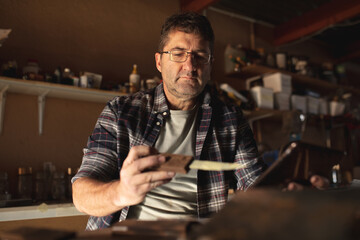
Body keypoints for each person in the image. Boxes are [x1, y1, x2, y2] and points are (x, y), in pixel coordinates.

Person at [72, 12, 328, 231]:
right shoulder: (122, 113)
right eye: (178, 53)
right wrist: (122, 192)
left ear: (210, 65)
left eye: (200, 56)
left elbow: (254, 187)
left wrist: (289, 194)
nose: (190, 65)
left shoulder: (229, 120)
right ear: (159, 61)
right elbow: (82, 195)